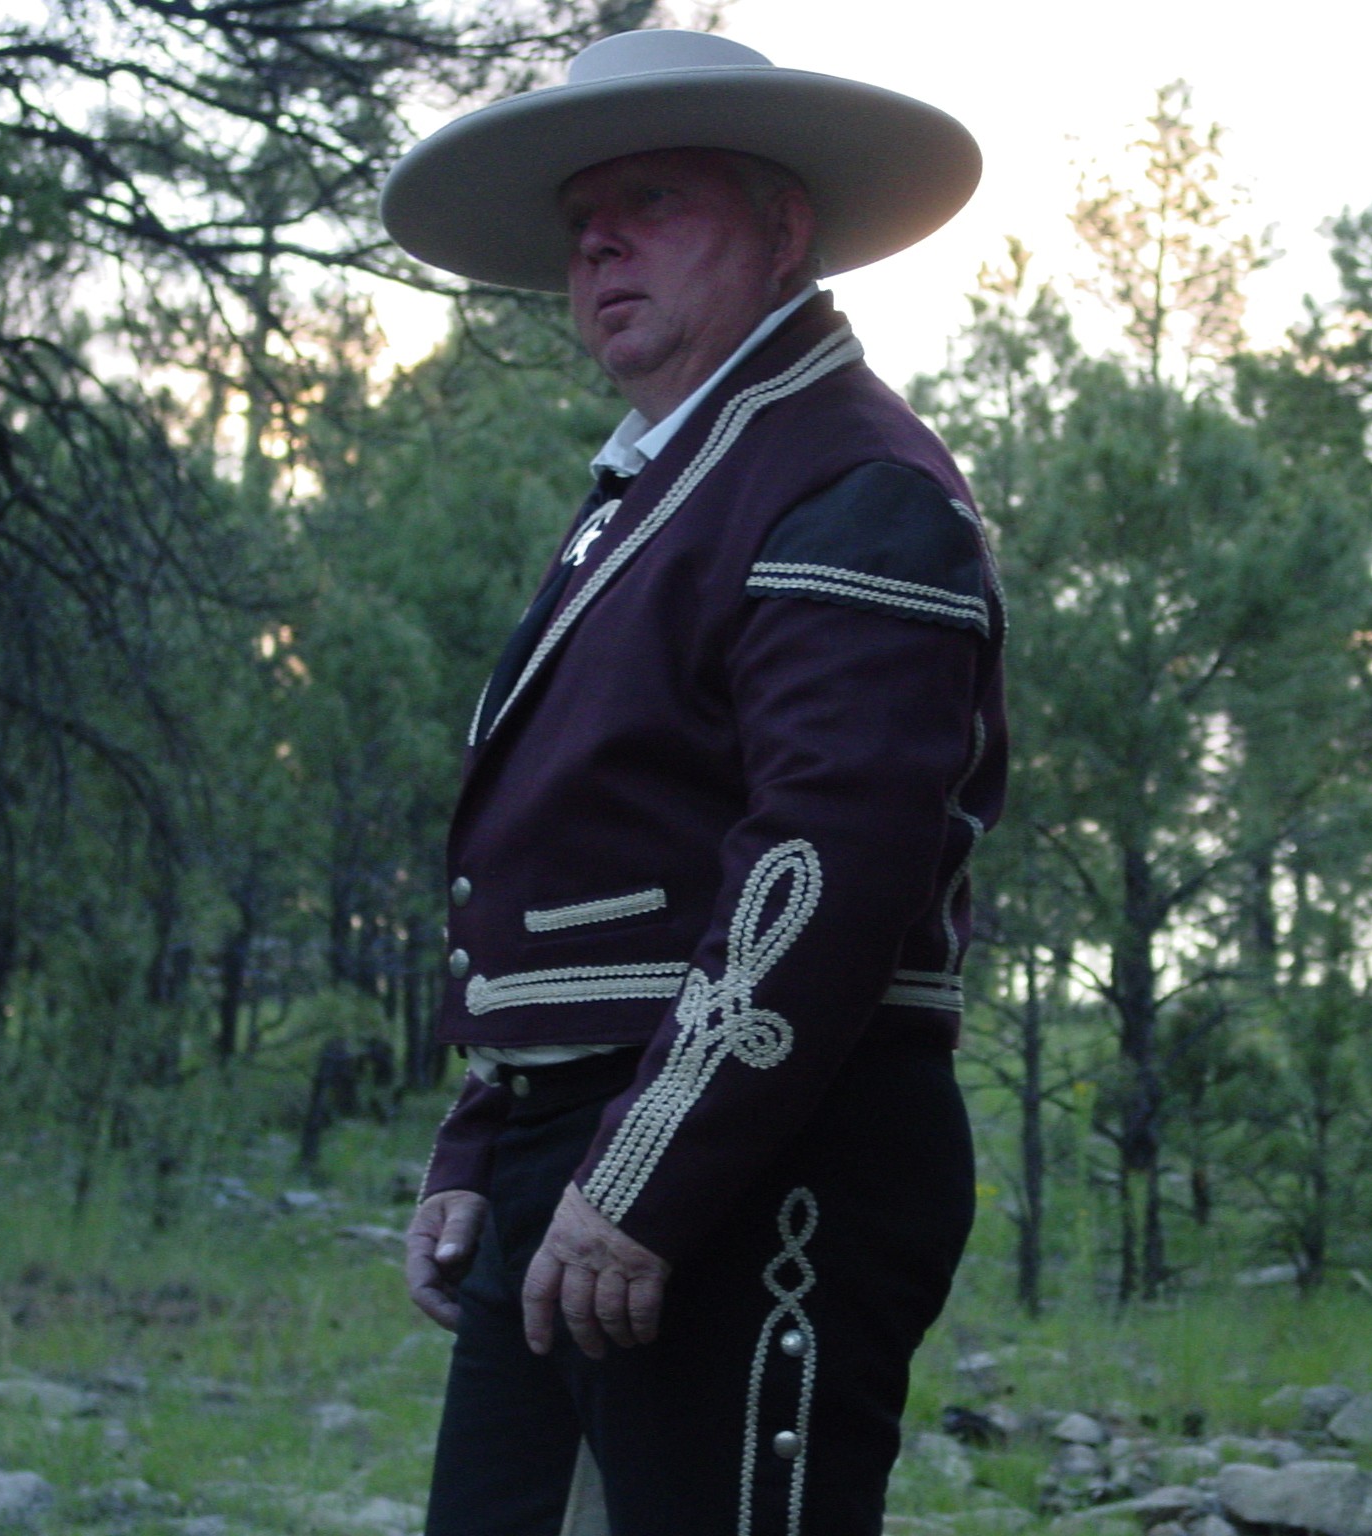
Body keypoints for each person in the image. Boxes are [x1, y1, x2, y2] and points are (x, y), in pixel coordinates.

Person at [378, 28, 1006, 1536]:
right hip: (594, 1141)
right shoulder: (670, 479)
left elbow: (828, 867)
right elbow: (595, 856)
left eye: (651, 200)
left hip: (762, 1158)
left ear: (783, 229)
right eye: (580, 218)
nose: (597, 242)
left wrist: (642, 1179)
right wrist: (488, 1140)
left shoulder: (853, 486)